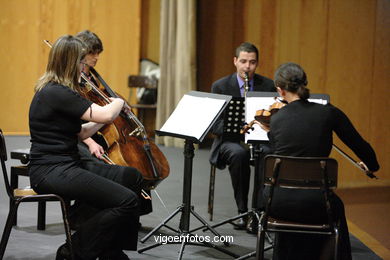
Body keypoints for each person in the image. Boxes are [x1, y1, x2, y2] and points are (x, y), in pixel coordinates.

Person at [28, 35, 141, 260]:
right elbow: (108, 112)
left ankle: (110, 249)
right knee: (127, 200)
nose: (84, 67)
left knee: (131, 176)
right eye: (82, 62)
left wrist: (105, 118)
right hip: (51, 171)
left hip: (66, 164)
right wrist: (118, 101)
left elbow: (82, 132)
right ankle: (75, 250)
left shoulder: (57, 90)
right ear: (72, 63)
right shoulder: (57, 92)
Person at [258, 62, 380, 259]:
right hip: (318, 202)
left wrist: (271, 134)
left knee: (281, 191)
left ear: (280, 90)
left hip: (278, 202)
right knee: (337, 205)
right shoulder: (328, 113)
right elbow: (359, 144)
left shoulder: (277, 119)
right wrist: (371, 165)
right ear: (304, 84)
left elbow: (280, 153)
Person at [69, 30, 152, 228]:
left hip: (96, 131)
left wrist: (120, 109)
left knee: (130, 161)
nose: (96, 58)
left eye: (98, 53)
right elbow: (72, 123)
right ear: (80, 53)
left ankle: (128, 212)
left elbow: (104, 106)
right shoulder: (71, 81)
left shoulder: (93, 79)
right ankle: (82, 215)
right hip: (78, 136)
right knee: (101, 162)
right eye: (92, 53)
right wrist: (89, 142)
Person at [209, 42, 275, 230]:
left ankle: (258, 212)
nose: (248, 67)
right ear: (235, 61)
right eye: (244, 61)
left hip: (259, 139)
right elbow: (215, 123)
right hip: (229, 141)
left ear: (257, 63)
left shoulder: (268, 85)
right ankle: (242, 212)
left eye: (252, 62)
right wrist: (237, 129)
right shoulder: (220, 86)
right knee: (239, 155)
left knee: (267, 155)